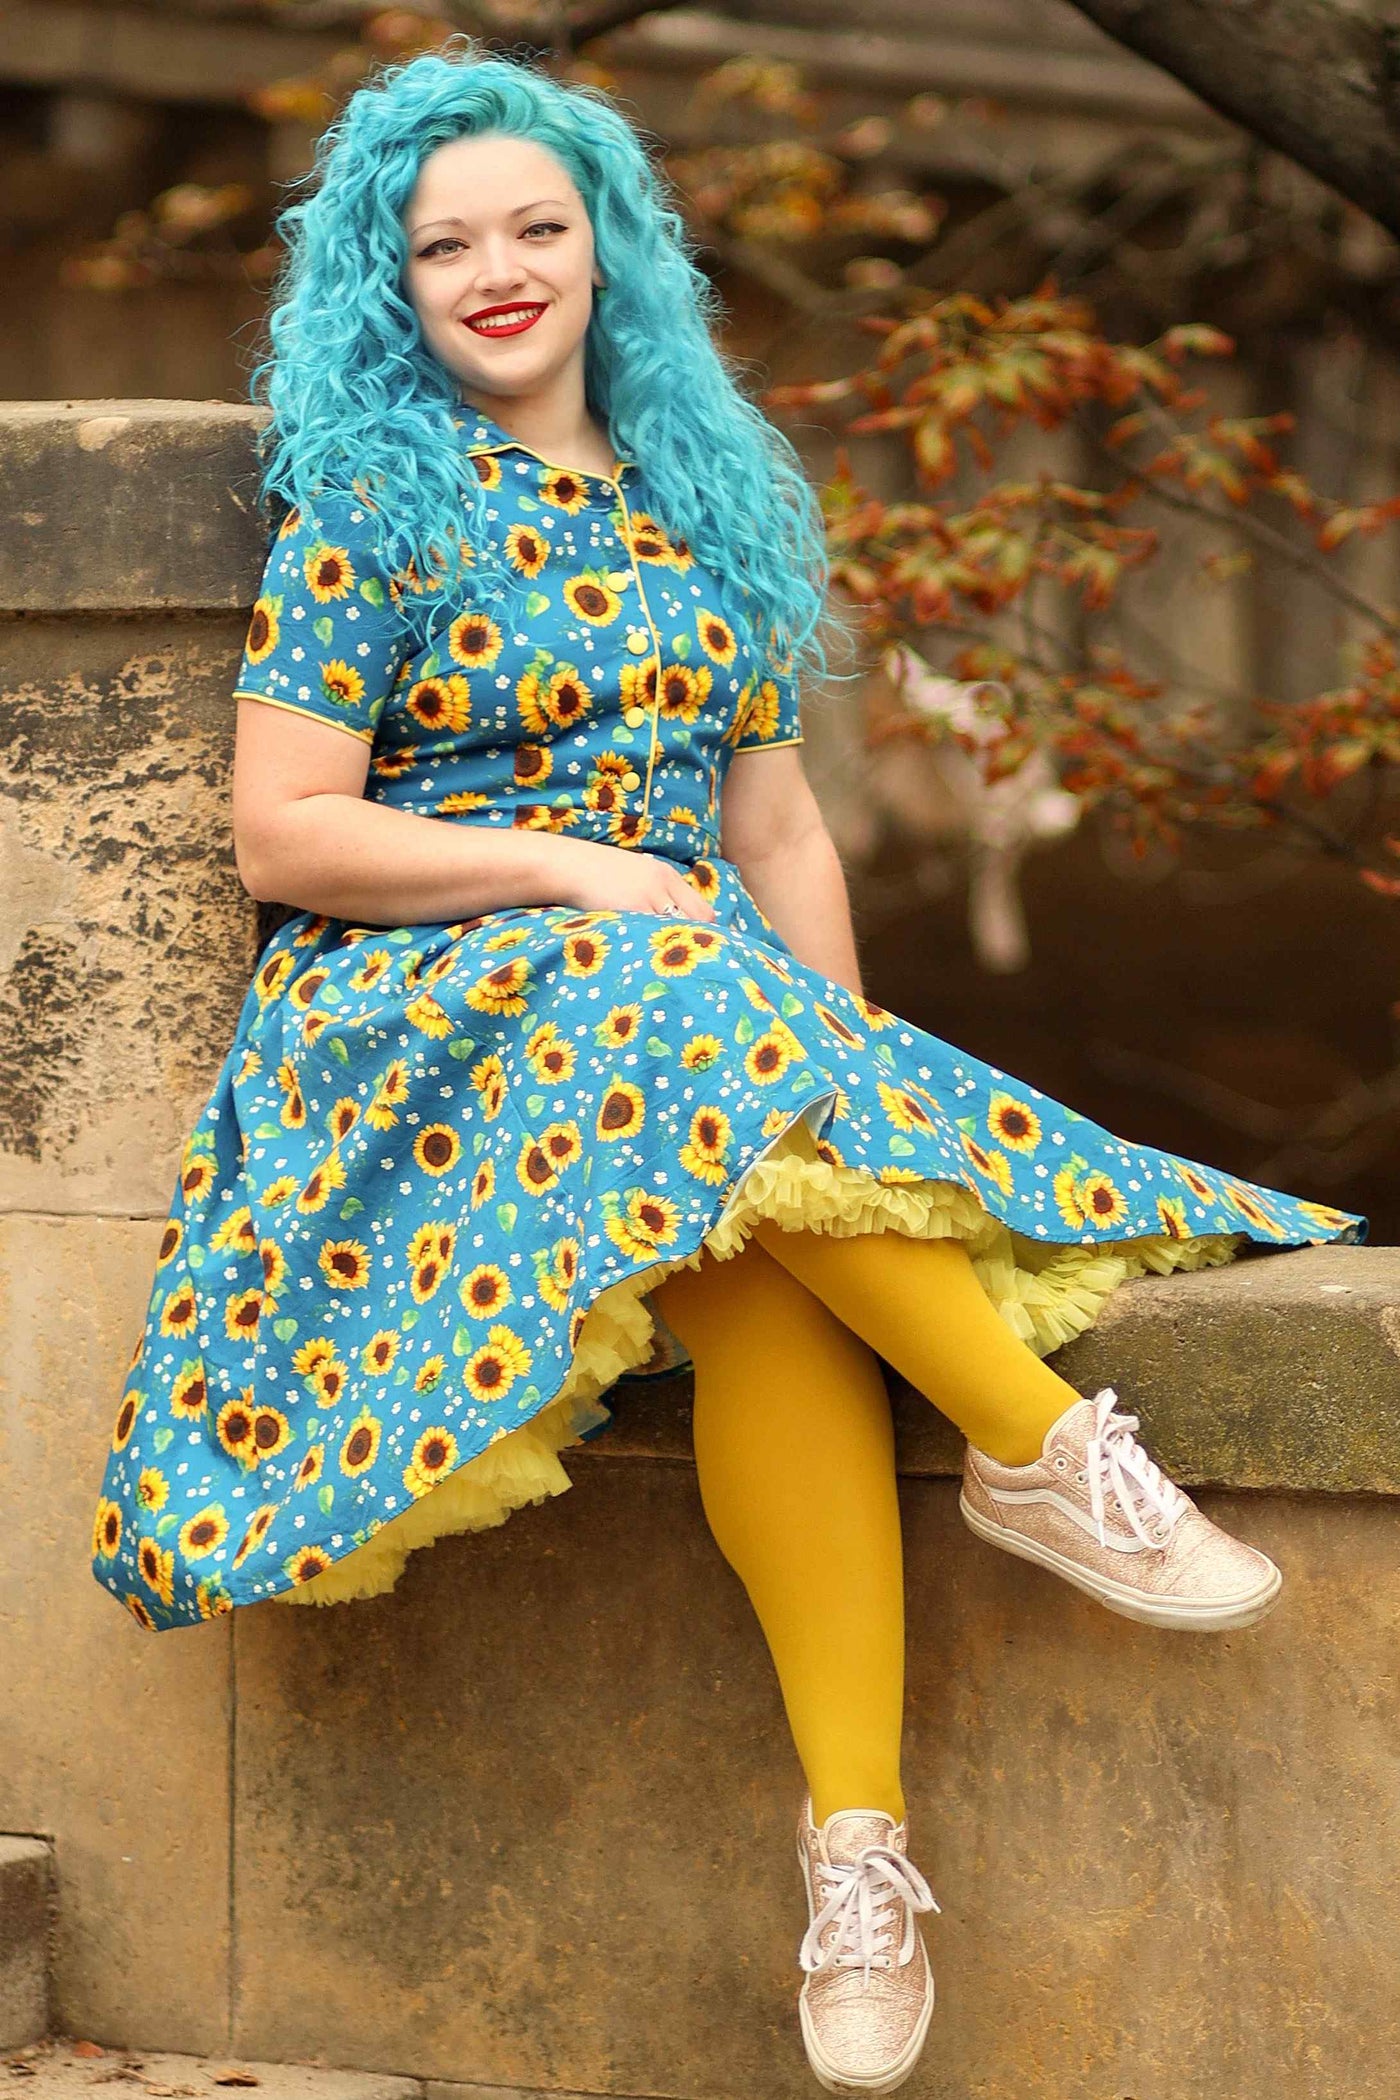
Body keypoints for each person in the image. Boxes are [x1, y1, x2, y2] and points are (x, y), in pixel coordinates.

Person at [87, 41, 1366, 2097]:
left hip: (666, 1034)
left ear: (607, 247)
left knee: (773, 1239)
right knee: (665, 997)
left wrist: (831, 1076)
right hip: (428, 1026)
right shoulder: (370, 501)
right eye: (442, 244)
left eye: (534, 225)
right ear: (384, 286)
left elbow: (771, 836)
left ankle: (851, 1849)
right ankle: (1041, 1455)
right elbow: (283, 832)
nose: (497, 269)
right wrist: (566, 868)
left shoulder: (699, 495)